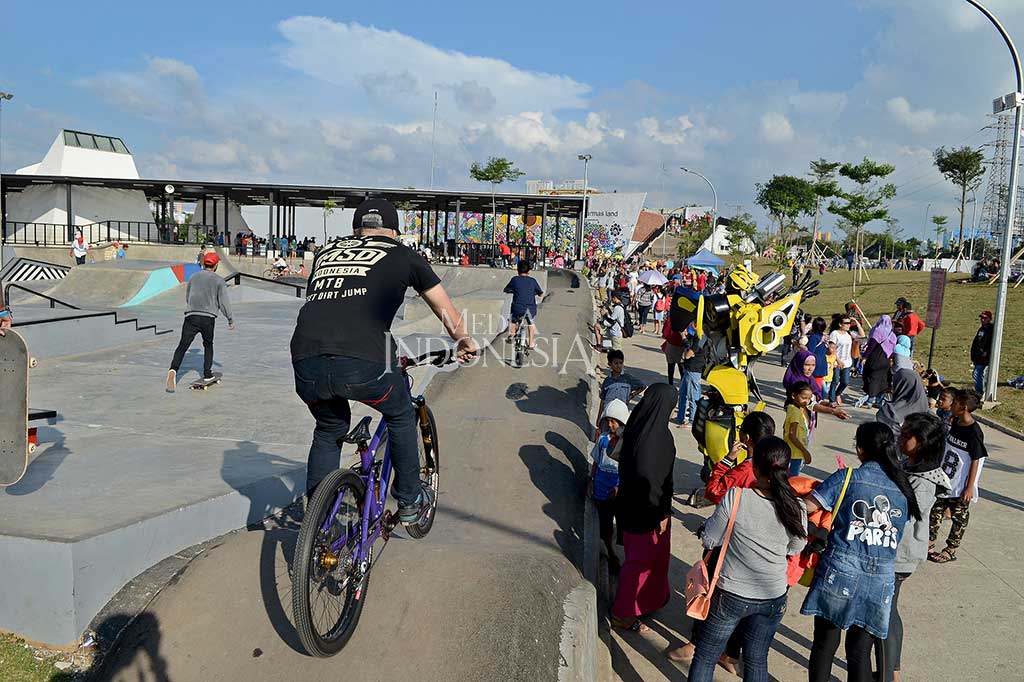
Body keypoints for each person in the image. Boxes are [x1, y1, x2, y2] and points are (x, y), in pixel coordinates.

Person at [289, 199, 478, 528]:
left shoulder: (326, 254)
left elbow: (328, 306)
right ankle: (408, 500)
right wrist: (463, 339)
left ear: (354, 230)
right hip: (364, 359)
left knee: (330, 428)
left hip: (306, 358)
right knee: (401, 413)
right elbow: (443, 308)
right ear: (395, 232)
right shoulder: (404, 255)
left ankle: (317, 522)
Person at [801, 422, 921, 682]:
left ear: (860, 449)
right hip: (880, 579)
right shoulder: (903, 488)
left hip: (840, 569)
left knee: (824, 645)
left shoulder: (848, 477)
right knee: (859, 652)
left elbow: (807, 507)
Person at [686, 436, 808, 682]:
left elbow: (710, 540)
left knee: (706, 656)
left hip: (731, 593)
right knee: (756, 660)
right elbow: (796, 547)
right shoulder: (797, 506)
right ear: (786, 468)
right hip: (773, 595)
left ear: (755, 467)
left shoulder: (737, 497)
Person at [876, 413, 950, 682]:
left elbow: (903, 517)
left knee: (883, 615)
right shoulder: (910, 465)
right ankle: (892, 670)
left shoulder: (924, 480)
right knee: (889, 610)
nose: (900, 437)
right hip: (897, 552)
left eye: (908, 435)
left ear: (924, 443)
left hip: (900, 555)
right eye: (902, 431)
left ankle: (888, 675)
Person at [610, 384, 676, 631]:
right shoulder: (654, 438)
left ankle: (650, 600)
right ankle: (623, 612)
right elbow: (651, 479)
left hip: (635, 507)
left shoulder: (640, 428)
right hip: (648, 512)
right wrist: (660, 512)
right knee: (639, 564)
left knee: (650, 561)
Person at [928, 389, 987, 564]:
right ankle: (929, 542)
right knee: (935, 512)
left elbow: (977, 460)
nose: (951, 405)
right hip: (946, 479)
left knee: (959, 518)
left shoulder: (974, 432)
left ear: (964, 407)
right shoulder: (955, 422)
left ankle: (951, 548)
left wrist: (969, 487)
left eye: (955, 403)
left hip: (961, 485)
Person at [165, 252, 234, 392]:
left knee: (182, 346)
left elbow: (188, 296)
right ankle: (207, 374)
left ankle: (173, 369)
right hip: (208, 318)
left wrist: (192, 309)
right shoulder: (219, 281)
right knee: (208, 344)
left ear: (204, 264)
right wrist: (230, 319)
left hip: (191, 316)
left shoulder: (193, 277)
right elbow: (224, 302)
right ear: (215, 266)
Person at [588, 398, 630, 574]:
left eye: (614, 421)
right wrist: (591, 480)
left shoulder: (627, 444)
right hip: (601, 486)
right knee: (605, 524)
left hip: (618, 488)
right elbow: (597, 462)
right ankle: (611, 553)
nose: (611, 425)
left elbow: (629, 468)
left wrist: (621, 487)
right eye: (609, 421)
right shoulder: (603, 440)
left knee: (621, 523)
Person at [704, 412, 777, 505]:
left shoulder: (743, 471)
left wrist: (726, 462)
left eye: (740, 429)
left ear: (746, 438)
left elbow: (714, 494)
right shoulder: (775, 462)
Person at [597, 350, 646, 432]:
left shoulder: (628, 378)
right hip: (607, 414)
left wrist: (631, 396)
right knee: (605, 435)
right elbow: (602, 400)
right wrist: (599, 418)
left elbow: (642, 386)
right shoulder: (607, 381)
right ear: (609, 364)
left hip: (621, 414)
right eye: (616, 363)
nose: (619, 365)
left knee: (620, 435)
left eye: (621, 363)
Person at [503, 260, 544, 351]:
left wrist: (511, 290)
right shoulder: (533, 281)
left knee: (513, 319)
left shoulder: (514, 279)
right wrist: (537, 295)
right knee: (531, 323)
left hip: (517, 307)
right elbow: (540, 293)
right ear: (529, 271)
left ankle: (512, 334)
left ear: (517, 270)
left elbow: (506, 289)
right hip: (530, 308)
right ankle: (531, 343)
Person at [675, 322, 706, 428]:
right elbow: (688, 345)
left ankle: (693, 420)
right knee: (683, 393)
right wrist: (683, 337)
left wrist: (684, 356)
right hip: (689, 369)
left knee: (693, 396)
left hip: (694, 369)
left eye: (692, 323)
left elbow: (690, 353)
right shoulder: (696, 336)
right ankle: (680, 417)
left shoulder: (701, 338)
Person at [784, 382, 814, 476]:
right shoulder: (795, 412)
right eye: (804, 398)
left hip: (793, 452)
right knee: (793, 479)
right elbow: (792, 435)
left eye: (809, 398)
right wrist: (805, 452)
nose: (807, 401)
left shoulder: (795, 409)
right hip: (795, 453)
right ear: (793, 395)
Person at [828, 315, 855, 403]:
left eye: (849, 323)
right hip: (836, 362)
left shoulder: (849, 334)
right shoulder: (834, 334)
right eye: (846, 323)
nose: (848, 325)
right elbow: (832, 349)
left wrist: (856, 322)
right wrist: (838, 361)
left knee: (845, 382)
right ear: (840, 324)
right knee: (835, 381)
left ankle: (837, 394)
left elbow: (862, 336)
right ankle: (832, 400)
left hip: (847, 362)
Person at [970, 310, 994, 394]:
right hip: (978, 356)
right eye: (982, 318)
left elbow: (992, 343)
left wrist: (987, 351)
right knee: (976, 373)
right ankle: (979, 390)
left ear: (990, 319)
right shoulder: (981, 329)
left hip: (985, 357)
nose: (982, 320)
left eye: (985, 318)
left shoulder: (992, 330)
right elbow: (977, 342)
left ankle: (980, 392)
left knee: (977, 373)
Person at [661, 315, 685, 386]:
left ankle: (670, 384)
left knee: (670, 366)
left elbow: (665, 333)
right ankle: (683, 386)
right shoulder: (686, 317)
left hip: (671, 344)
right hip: (682, 345)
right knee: (682, 367)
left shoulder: (671, 318)